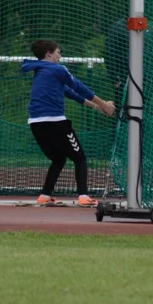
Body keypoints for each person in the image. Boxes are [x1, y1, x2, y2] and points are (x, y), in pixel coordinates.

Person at [22, 39, 115, 207]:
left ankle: (45, 195)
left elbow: (69, 92)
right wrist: (104, 105)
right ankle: (83, 196)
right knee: (79, 158)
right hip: (55, 122)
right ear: (49, 53)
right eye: (58, 52)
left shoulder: (41, 71)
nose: (60, 55)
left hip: (36, 124)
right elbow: (79, 87)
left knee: (59, 159)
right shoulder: (58, 69)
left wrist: (96, 107)